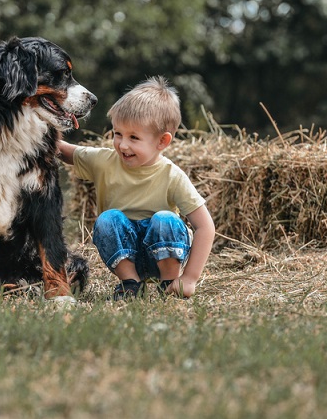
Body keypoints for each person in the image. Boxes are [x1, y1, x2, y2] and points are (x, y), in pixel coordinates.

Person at [58, 76, 216, 300]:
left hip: (163, 253)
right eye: (118, 133)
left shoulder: (172, 176)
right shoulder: (105, 160)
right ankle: (131, 284)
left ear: (162, 142)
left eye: (134, 137)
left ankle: (169, 283)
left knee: (166, 220)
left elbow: (205, 227)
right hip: (124, 253)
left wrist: (189, 277)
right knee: (107, 219)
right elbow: (65, 151)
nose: (123, 145)